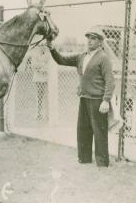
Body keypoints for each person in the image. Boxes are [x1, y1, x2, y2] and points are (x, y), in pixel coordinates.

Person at [46, 27, 115, 167]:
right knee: (83, 129)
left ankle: (102, 163)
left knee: (99, 131)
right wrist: (52, 48)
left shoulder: (103, 58)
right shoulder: (82, 56)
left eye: (94, 38)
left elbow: (110, 81)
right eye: (88, 37)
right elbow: (61, 60)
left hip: (97, 100)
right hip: (84, 98)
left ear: (101, 42)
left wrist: (106, 100)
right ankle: (84, 158)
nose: (90, 40)